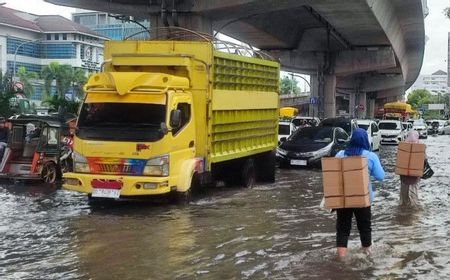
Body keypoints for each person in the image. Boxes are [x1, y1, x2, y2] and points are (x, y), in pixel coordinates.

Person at [334, 128, 385, 258]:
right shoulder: (370, 156)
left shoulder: (340, 154)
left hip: (343, 198)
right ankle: (367, 256)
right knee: (365, 228)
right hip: (363, 199)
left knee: (342, 229)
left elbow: (333, 174)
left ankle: (341, 258)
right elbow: (380, 176)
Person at [399, 130, 422, 207]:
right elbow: (424, 162)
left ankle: (403, 214)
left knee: (403, 200)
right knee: (414, 200)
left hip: (404, 179)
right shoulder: (420, 149)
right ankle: (412, 216)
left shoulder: (402, 148)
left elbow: (398, 164)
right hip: (415, 179)